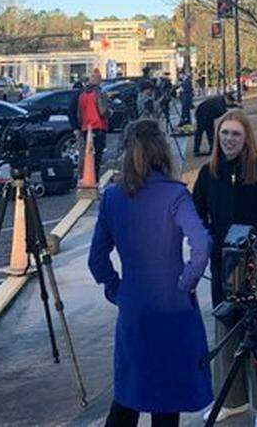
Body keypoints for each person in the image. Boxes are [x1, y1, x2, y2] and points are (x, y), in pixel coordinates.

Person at [88, 119, 212, 426]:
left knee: (129, 393)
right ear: (162, 151)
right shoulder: (175, 195)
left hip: (135, 305)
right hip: (173, 307)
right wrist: (186, 283)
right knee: (166, 399)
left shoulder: (113, 197)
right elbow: (202, 246)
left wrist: (116, 289)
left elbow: (96, 259)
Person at [192, 109, 257, 422]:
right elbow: (197, 215)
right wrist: (211, 243)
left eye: (235, 134)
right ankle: (232, 400)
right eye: (224, 133)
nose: (229, 139)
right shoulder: (209, 174)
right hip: (224, 267)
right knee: (229, 330)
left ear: (246, 138)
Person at [77, 69, 111, 177]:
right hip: (98, 126)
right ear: (99, 80)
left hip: (86, 128)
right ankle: (94, 178)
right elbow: (103, 110)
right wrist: (109, 113)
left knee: (88, 155)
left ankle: (86, 176)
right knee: (97, 155)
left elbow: (79, 113)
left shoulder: (82, 94)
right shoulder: (99, 93)